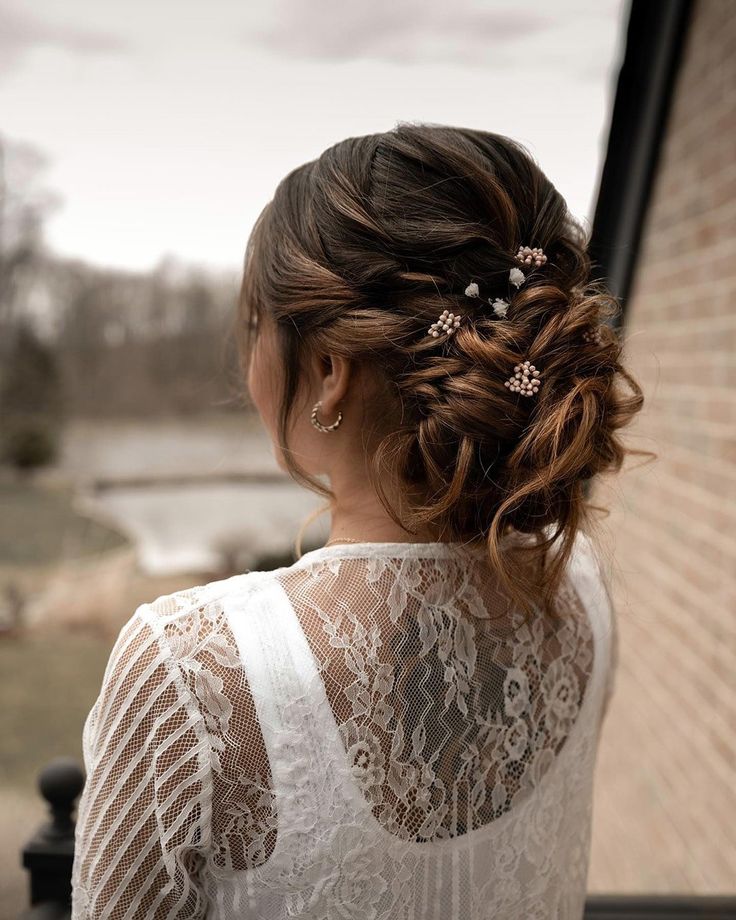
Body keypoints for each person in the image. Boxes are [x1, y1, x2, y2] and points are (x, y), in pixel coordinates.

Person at [70, 123, 646, 919]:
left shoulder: (197, 674)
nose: (249, 365)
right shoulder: (580, 591)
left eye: (254, 328)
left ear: (329, 370)